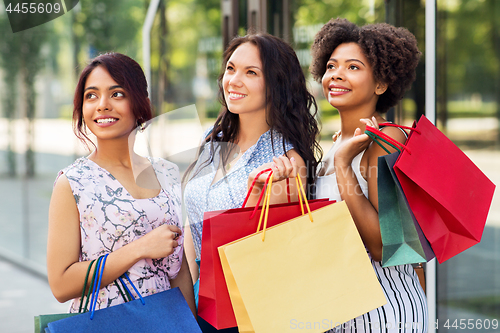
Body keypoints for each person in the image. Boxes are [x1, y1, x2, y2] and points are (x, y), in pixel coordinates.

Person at [183, 33, 322, 331]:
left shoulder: (285, 162)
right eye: (231, 69)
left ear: (276, 85)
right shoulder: (215, 141)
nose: (233, 80)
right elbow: (193, 221)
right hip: (200, 301)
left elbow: (270, 255)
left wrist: (261, 194)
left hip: (246, 310)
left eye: (251, 73)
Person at [47, 52, 196, 317]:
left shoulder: (166, 172)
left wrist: (191, 325)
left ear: (140, 103)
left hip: (164, 320)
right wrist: (139, 249)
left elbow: (178, 269)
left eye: (116, 94)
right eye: (91, 95)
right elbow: (61, 284)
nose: (102, 105)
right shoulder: (73, 183)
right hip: (107, 321)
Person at [310, 18, 427, 332]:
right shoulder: (334, 146)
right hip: (338, 308)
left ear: (380, 84)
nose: (336, 74)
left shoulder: (386, 140)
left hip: (382, 310)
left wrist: (345, 168)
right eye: (332, 65)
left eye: (353, 67)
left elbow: (383, 245)